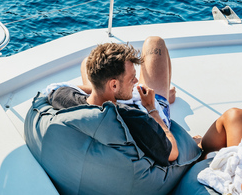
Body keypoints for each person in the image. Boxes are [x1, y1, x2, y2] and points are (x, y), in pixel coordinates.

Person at [47, 39, 179, 165]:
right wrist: (152, 108)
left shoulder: (62, 97)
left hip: (104, 93)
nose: (136, 81)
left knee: (87, 61)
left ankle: (108, 85)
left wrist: (100, 88)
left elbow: (56, 87)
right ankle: (165, 94)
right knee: (155, 42)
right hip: (148, 107)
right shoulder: (136, 119)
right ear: (114, 85)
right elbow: (172, 153)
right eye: (132, 78)